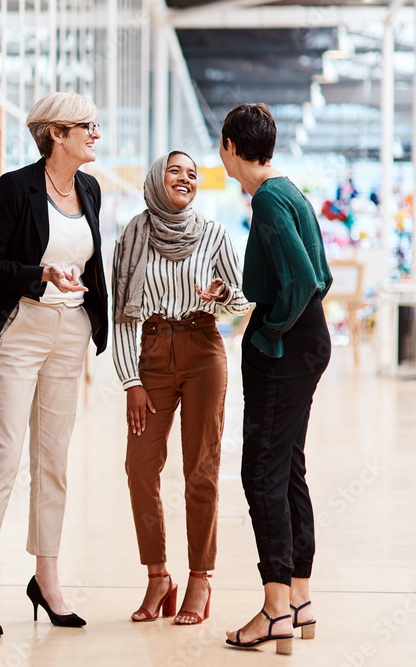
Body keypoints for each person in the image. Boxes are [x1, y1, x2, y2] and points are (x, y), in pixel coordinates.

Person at [0, 91, 108, 635]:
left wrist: (87, 309)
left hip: (69, 332)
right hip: (18, 330)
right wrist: (40, 275)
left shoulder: (88, 188)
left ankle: (46, 577)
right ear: (56, 135)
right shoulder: (14, 188)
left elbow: (90, 257)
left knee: (54, 461)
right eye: (86, 126)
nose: (95, 133)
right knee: (3, 457)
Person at [112, 151, 250, 626]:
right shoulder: (133, 235)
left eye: (193, 174)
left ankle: (200, 577)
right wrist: (131, 380)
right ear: (156, 178)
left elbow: (240, 300)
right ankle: (157, 576)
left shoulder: (213, 234)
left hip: (202, 349)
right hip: (150, 354)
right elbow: (122, 316)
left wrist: (222, 295)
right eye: (176, 170)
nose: (185, 178)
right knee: (139, 466)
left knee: (202, 467)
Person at [218, 103, 332, 654]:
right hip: (310, 340)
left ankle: (274, 609)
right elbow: (323, 276)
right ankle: (299, 598)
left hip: (283, 345)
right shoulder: (291, 191)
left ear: (230, 148)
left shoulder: (265, 197)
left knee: (261, 467)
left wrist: (267, 333)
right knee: (287, 468)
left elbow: (303, 278)